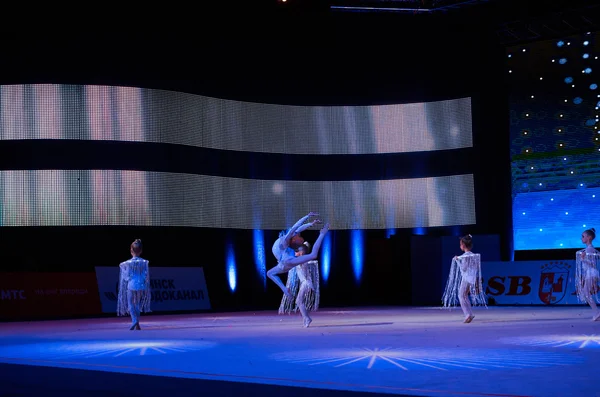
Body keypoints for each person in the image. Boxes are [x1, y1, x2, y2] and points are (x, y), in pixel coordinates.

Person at [268, 218, 329, 298]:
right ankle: (285, 290)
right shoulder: (286, 241)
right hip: (283, 263)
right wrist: (310, 222)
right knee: (269, 273)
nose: (296, 234)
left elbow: (296, 228)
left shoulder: (286, 241)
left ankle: (285, 290)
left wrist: (320, 232)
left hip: (286, 263)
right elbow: (297, 228)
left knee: (270, 273)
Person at [442, 234, 487, 323]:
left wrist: (457, 260)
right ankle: (469, 313)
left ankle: (467, 314)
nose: (460, 246)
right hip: (472, 278)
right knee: (464, 295)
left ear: (463, 245)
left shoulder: (466, 256)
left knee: (461, 295)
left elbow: (463, 268)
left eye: (460, 244)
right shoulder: (473, 256)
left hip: (467, 278)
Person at [279, 241, 320, 328]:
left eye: (297, 251)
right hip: (305, 283)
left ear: (301, 253)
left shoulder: (302, 261)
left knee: (299, 301)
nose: (295, 253)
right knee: (299, 301)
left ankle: (307, 318)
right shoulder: (300, 260)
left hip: (306, 283)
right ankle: (306, 318)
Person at [117, 239, 151, 330]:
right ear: (141, 251)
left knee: (131, 303)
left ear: (131, 250)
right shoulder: (144, 262)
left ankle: (134, 320)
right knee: (137, 304)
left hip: (131, 284)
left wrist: (124, 271)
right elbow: (145, 275)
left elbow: (126, 276)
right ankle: (137, 324)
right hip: (140, 285)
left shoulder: (127, 263)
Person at [575, 228, 600, 321]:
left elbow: (592, 264)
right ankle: (597, 312)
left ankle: (597, 312)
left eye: (583, 236)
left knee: (586, 294)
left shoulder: (589, 249)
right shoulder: (588, 249)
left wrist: (583, 259)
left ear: (589, 238)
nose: (581, 238)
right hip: (591, 273)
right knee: (586, 293)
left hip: (592, 273)